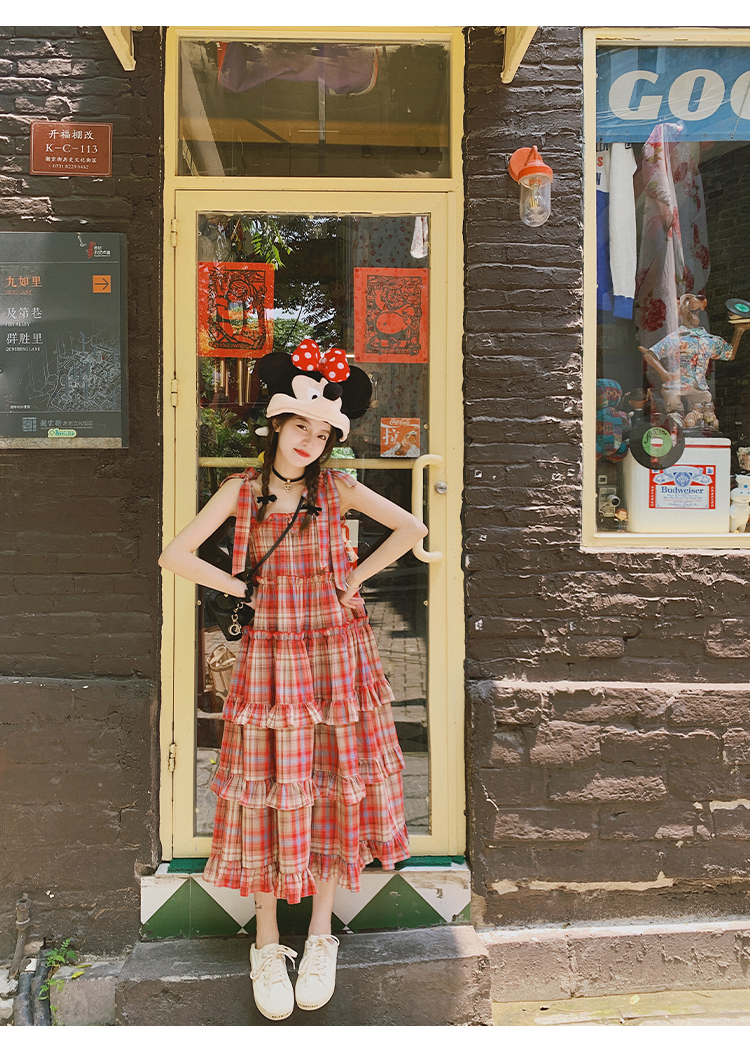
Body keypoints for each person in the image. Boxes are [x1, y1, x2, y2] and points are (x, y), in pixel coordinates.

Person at [159, 347, 427, 1021]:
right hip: (271, 659)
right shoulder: (241, 491)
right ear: (277, 424)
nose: (309, 441)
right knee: (267, 789)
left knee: (333, 782)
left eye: (322, 432)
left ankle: (320, 936)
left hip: (337, 654)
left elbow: (413, 528)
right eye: (300, 426)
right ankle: (267, 941)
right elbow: (175, 554)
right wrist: (239, 587)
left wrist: (354, 579)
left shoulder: (338, 488)